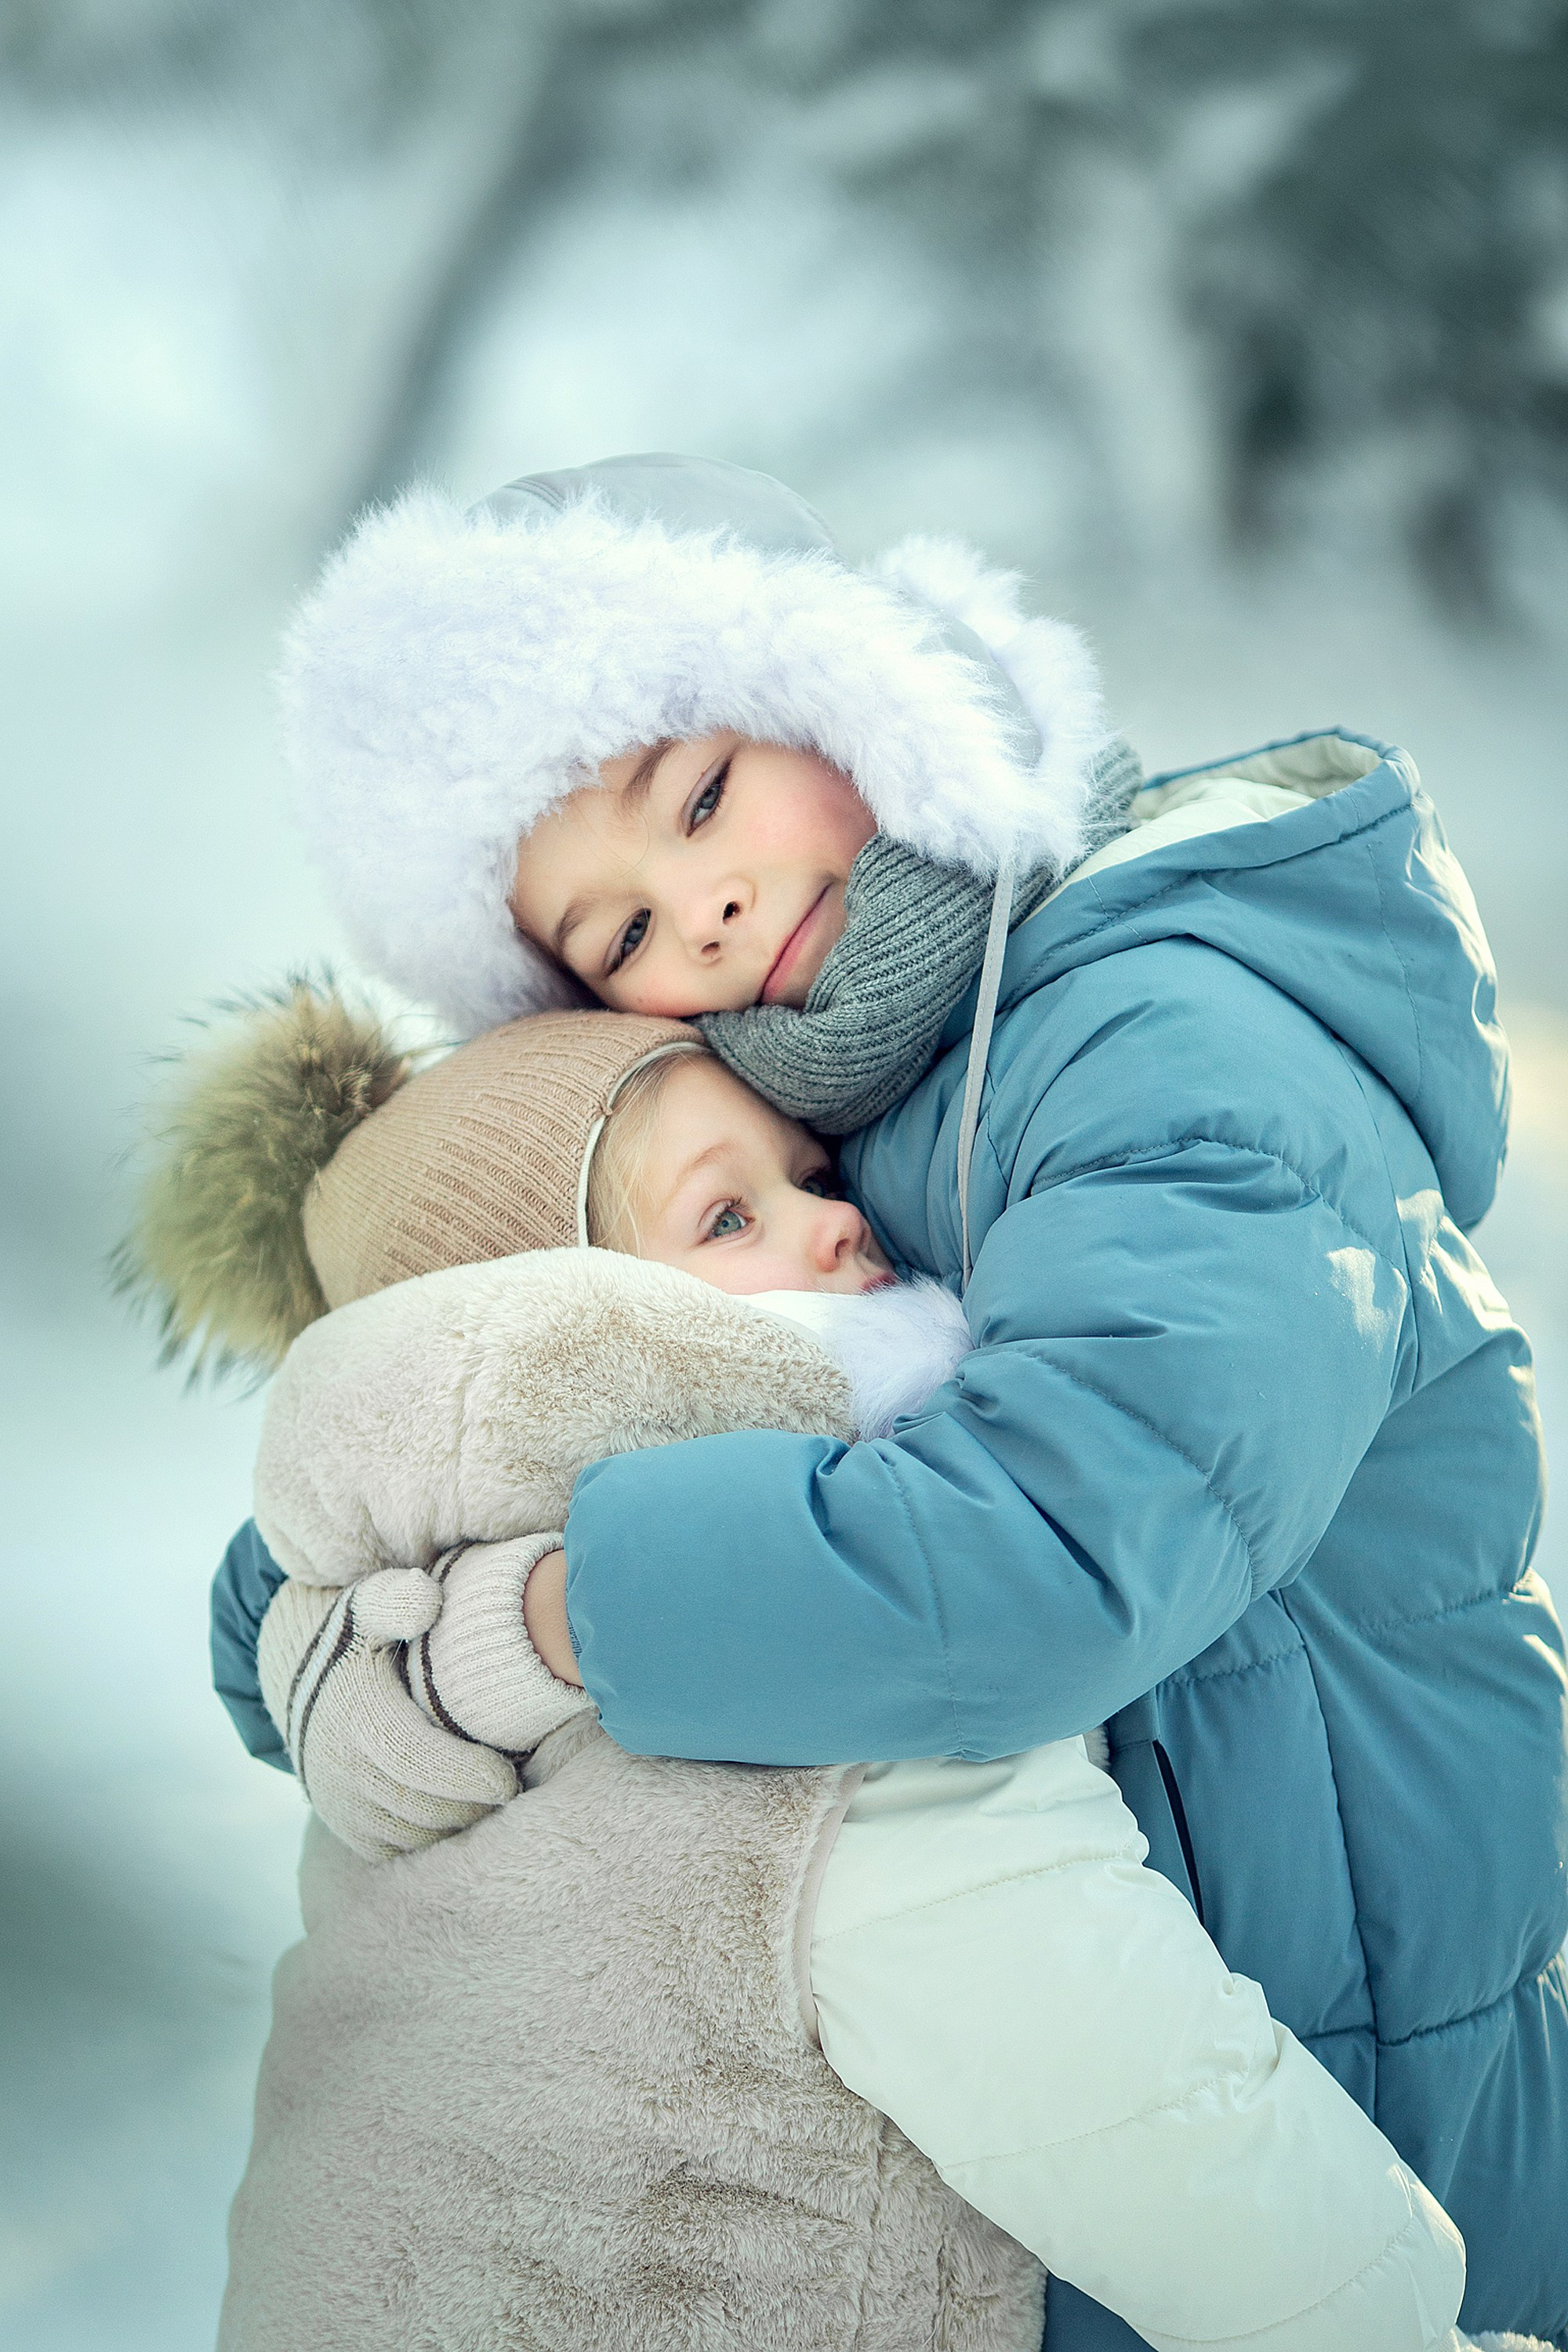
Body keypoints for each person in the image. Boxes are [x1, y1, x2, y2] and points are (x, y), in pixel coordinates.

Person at [202, 455, 1567, 2345]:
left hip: (1347, 2101)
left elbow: (1043, 1555)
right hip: (1093, 2160)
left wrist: (535, 1619)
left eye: (694, 794)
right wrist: (344, 1602)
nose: (700, 908)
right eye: (608, 934)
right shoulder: (854, 1104)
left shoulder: (1169, 1048)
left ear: (849, 676)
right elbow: (523, 1403)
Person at [122, 990, 1474, 2350]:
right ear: (559, 1329)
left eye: (811, 1174)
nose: (835, 1223)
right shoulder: (808, 1664)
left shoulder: (412, 1640)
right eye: (728, 1216)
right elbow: (1112, 2082)